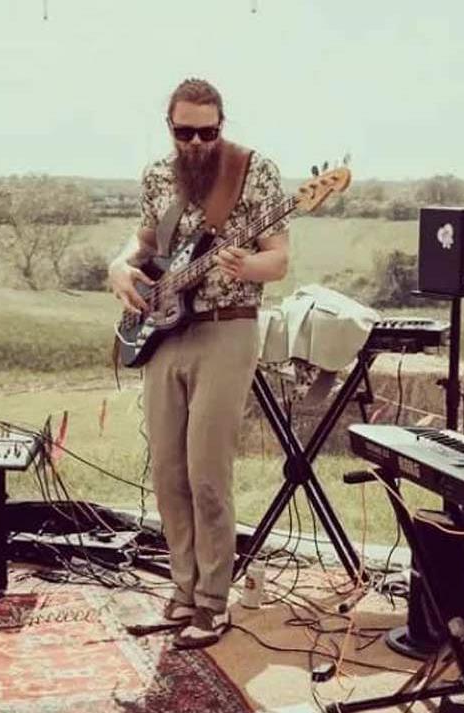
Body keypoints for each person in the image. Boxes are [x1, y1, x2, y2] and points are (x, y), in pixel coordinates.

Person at [108, 78, 289, 649]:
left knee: (207, 472)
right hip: (166, 334)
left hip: (227, 328)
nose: (195, 143)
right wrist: (118, 266)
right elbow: (143, 246)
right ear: (170, 127)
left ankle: (214, 601)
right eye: (184, 132)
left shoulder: (254, 171)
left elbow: (279, 259)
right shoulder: (158, 176)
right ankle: (182, 592)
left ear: (221, 126)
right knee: (167, 470)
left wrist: (246, 266)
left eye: (206, 132)